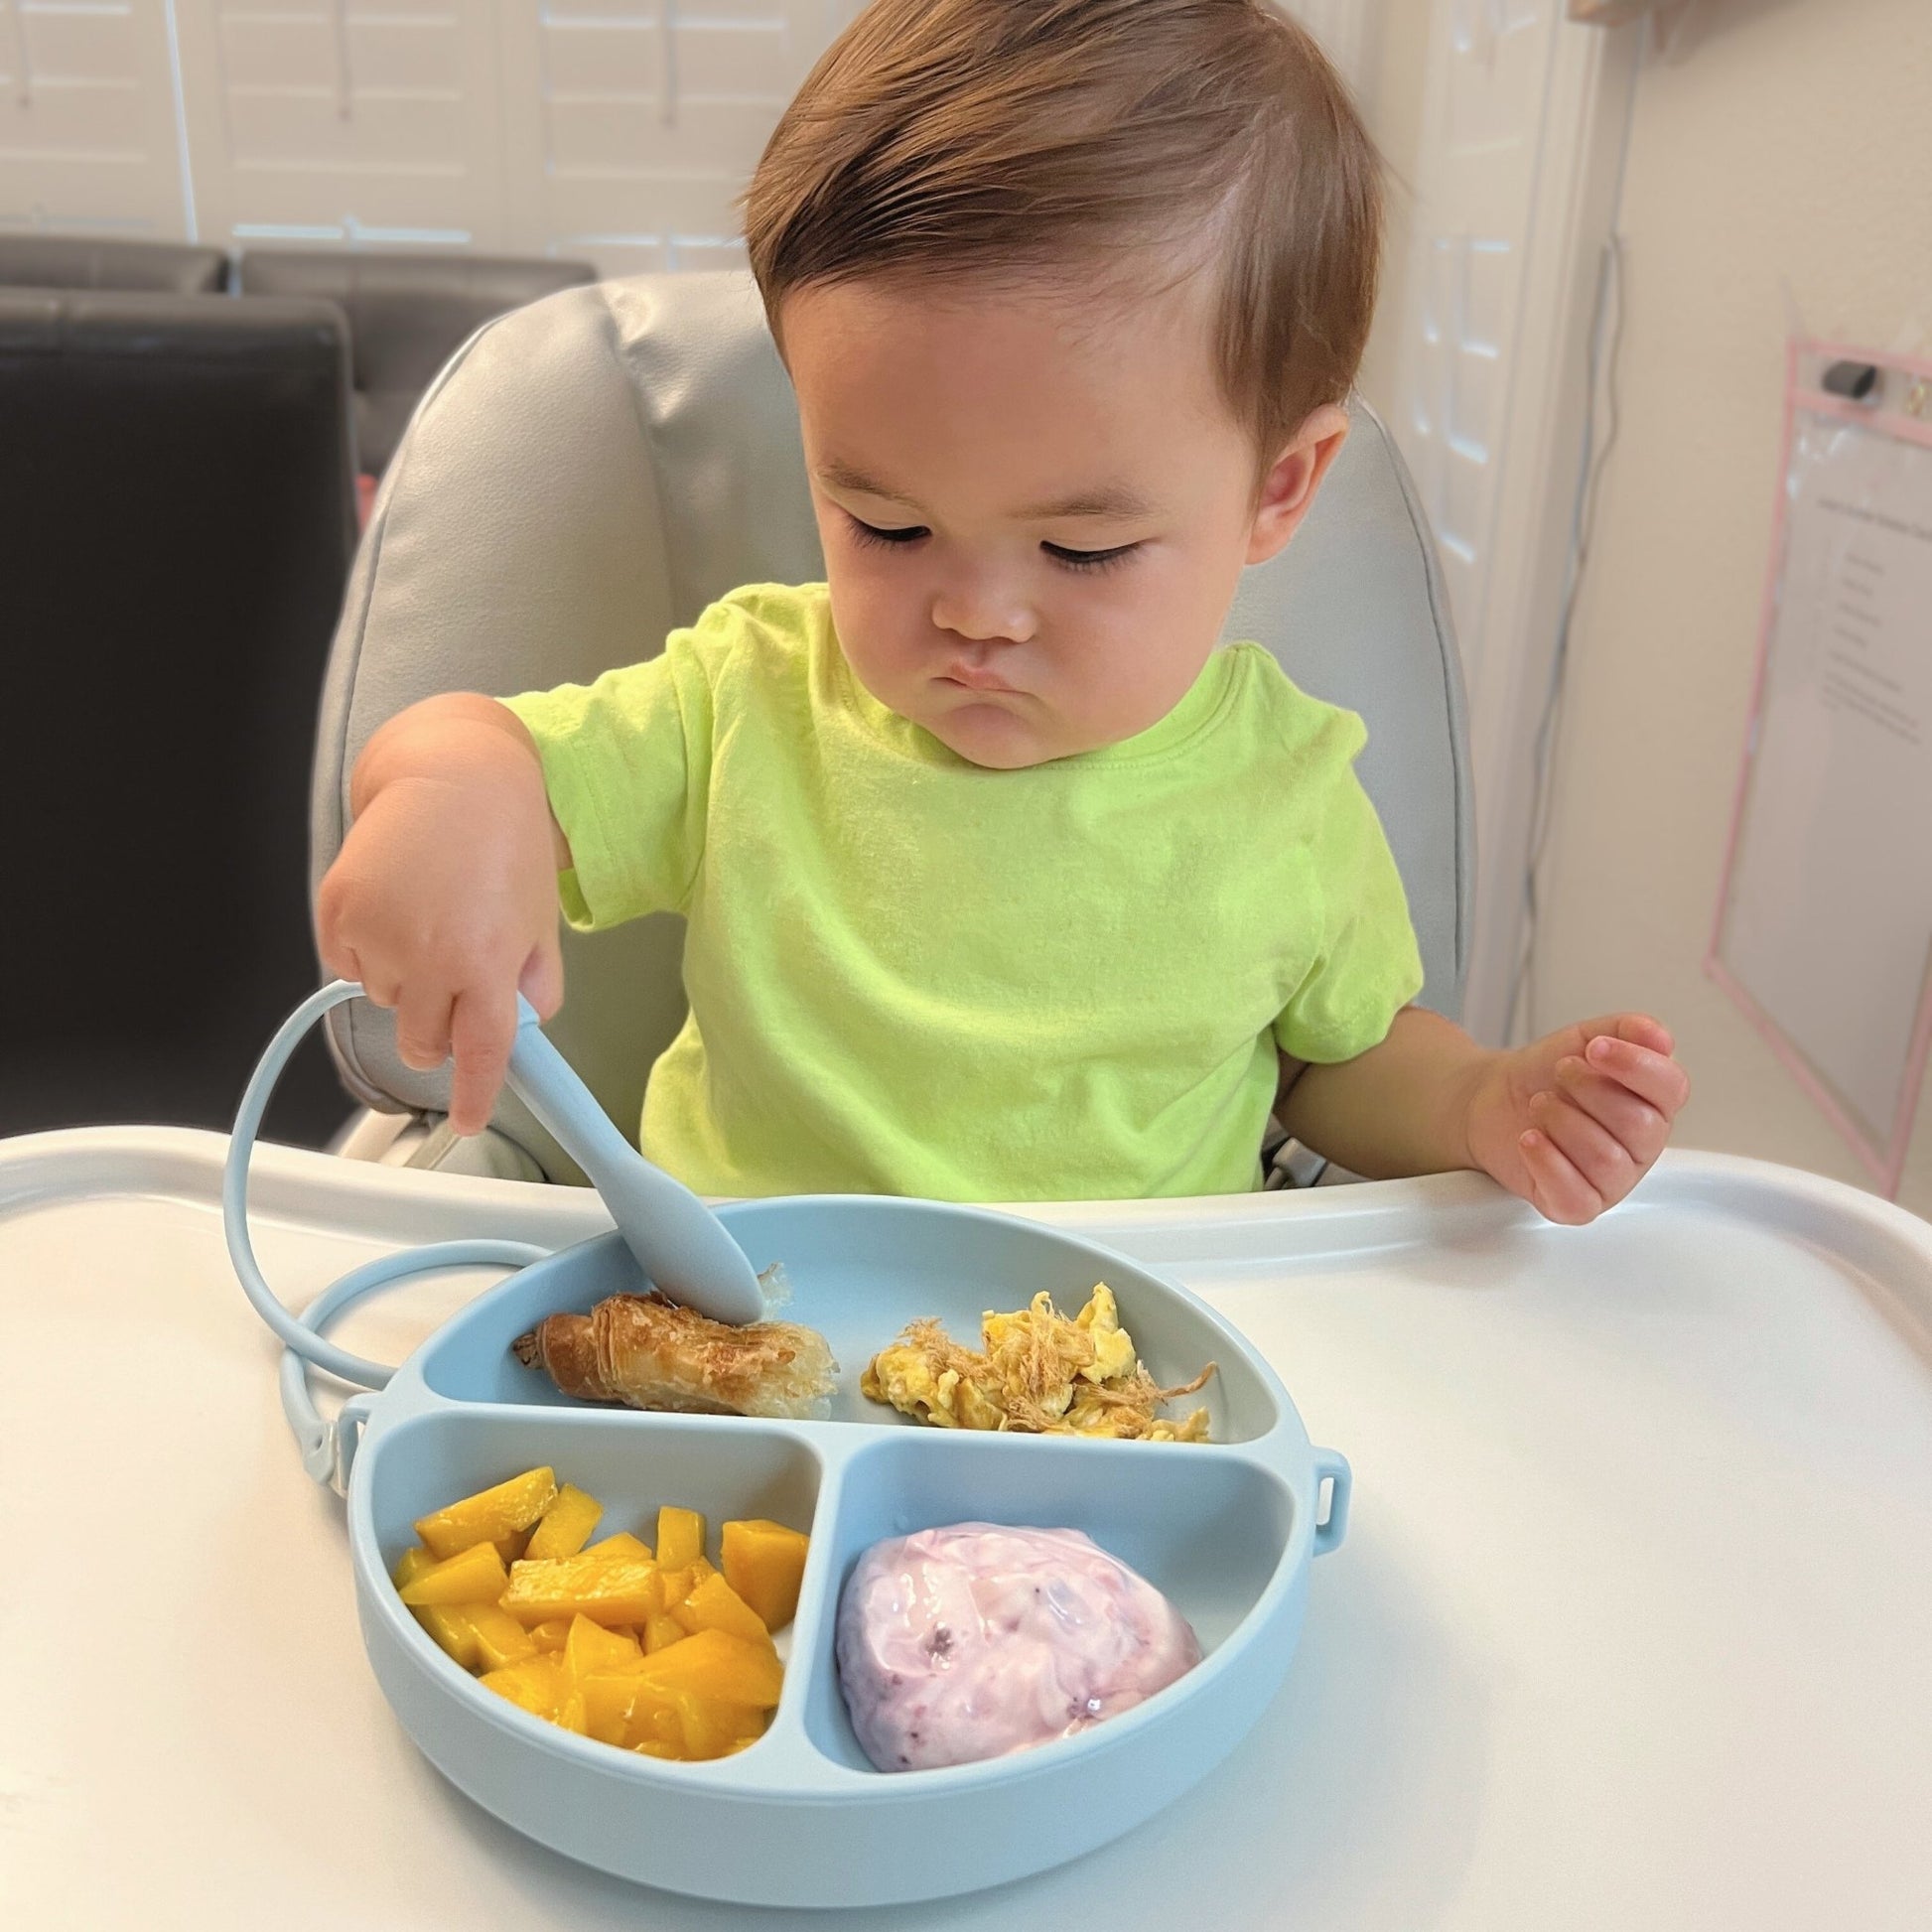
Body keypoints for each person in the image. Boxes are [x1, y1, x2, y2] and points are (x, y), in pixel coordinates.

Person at [317, 0, 1688, 1223]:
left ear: (1278, 487)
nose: (975, 613)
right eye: (888, 525)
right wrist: (444, 792)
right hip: (750, 1351)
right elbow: (492, 756)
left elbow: (1336, 1062)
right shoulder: (747, 698)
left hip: (1129, 1393)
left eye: (1083, 548)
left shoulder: (1283, 787)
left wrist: (1479, 1106)